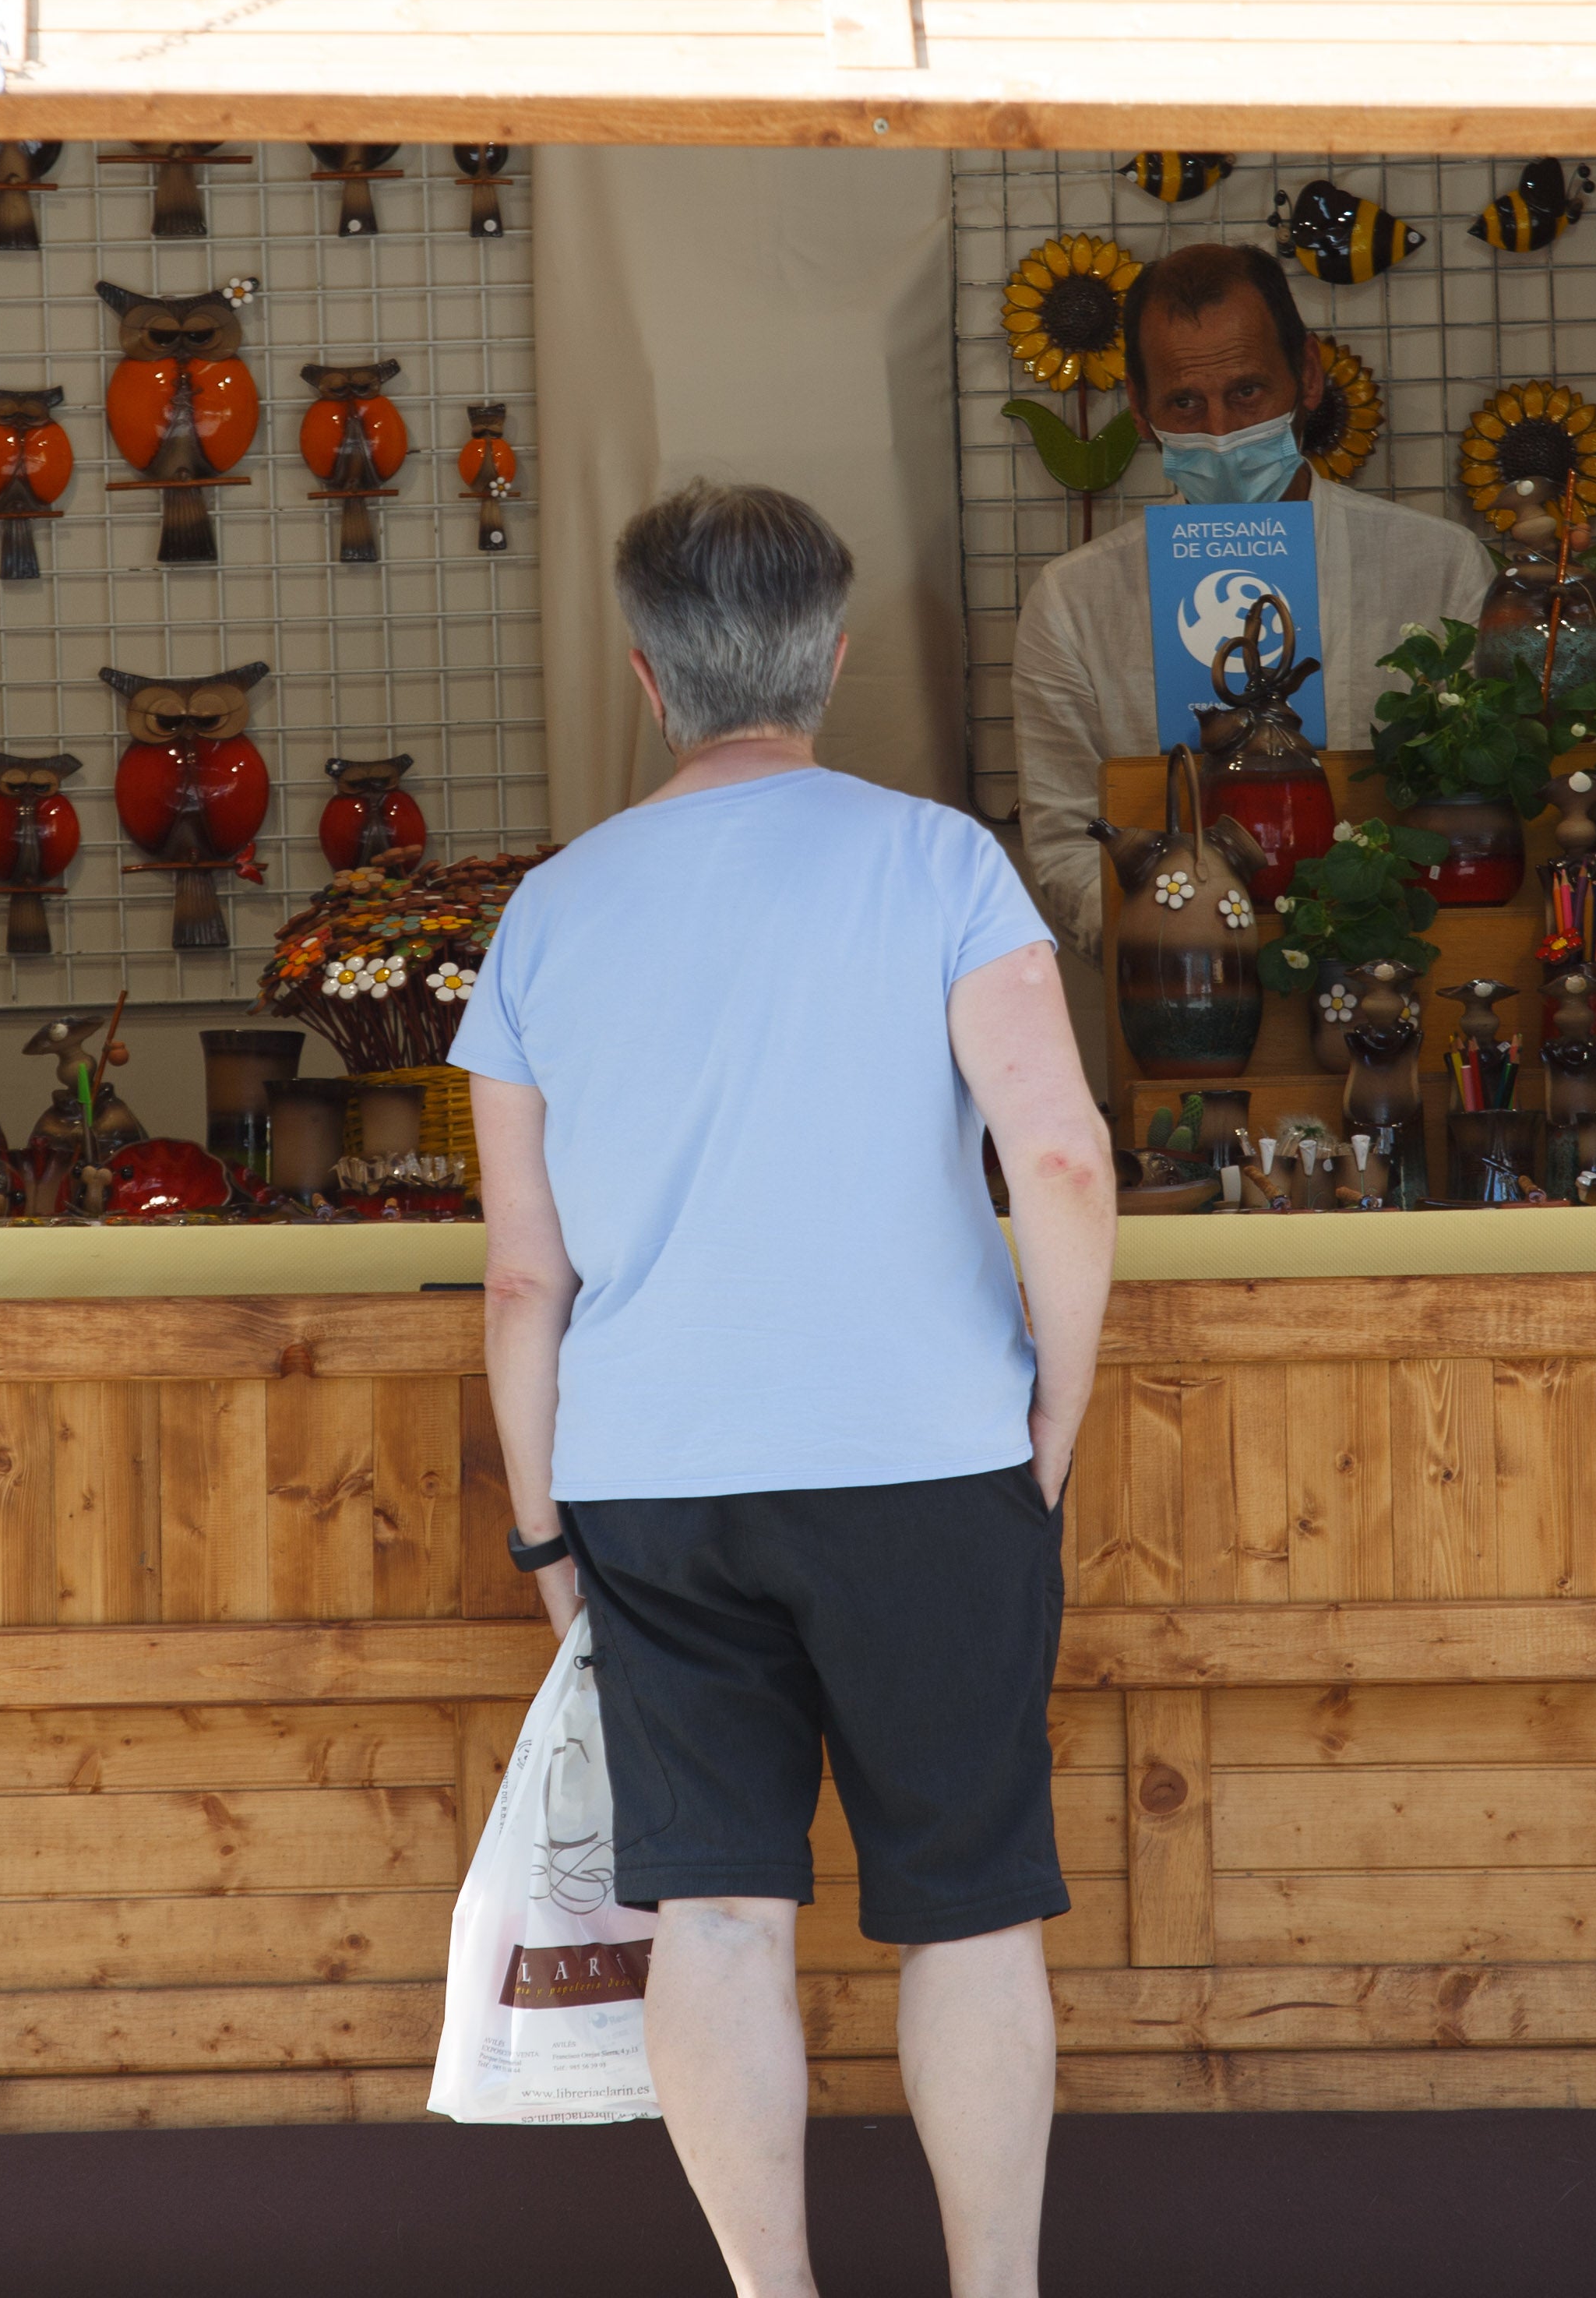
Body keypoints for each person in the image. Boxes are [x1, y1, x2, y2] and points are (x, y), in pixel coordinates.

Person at [461, 482, 1115, 2298]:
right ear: (827, 659)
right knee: (967, 1912)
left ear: (645, 677)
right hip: (926, 1459)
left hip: (654, 1474)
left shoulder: (547, 911)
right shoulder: (937, 863)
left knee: (719, 1913)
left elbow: (525, 1271)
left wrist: (541, 1528)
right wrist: (1052, 1404)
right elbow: (1053, 1160)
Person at [1006, 239, 1490, 954]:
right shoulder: (1074, 603)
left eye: (1246, 393)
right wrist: (1179, 946)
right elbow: (1065, 843)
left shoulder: (1439, 567)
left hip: (1396, 973)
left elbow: (1484, 802)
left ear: (1307, 376)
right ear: (1140, 412)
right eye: (1184, 403)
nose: (1223, 436)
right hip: (1185, 991)